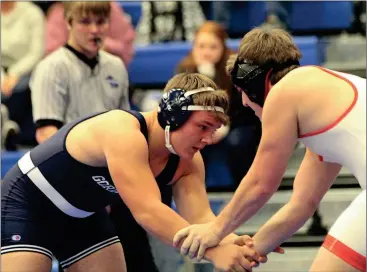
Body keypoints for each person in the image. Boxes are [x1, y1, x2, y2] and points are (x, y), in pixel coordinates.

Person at [1, 73, 280, 272]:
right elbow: (148, 212)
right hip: (28, 205)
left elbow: (200, 219)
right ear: (173, 115)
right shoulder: (123, 131)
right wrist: (216, 252)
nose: (208, 139)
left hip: (82, 217)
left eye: (214, 130)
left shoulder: (189, 160)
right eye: (203, 126)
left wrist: (235, 240)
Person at [173, 28, 366, 272]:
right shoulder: (320, 104)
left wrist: (214, 230)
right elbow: (301, 204)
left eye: (242, 91)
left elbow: (260, 183)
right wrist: (250, 250)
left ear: (257, 83)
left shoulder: (284, 92)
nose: (243, 102)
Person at [45, 1, 135, 66]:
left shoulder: (111, 8)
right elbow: (51, 52)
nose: (94, 30)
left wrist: (105, 45)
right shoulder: (59, 11)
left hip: (107, 73)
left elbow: (126, 50)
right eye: (85, 22)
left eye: (100, 22)